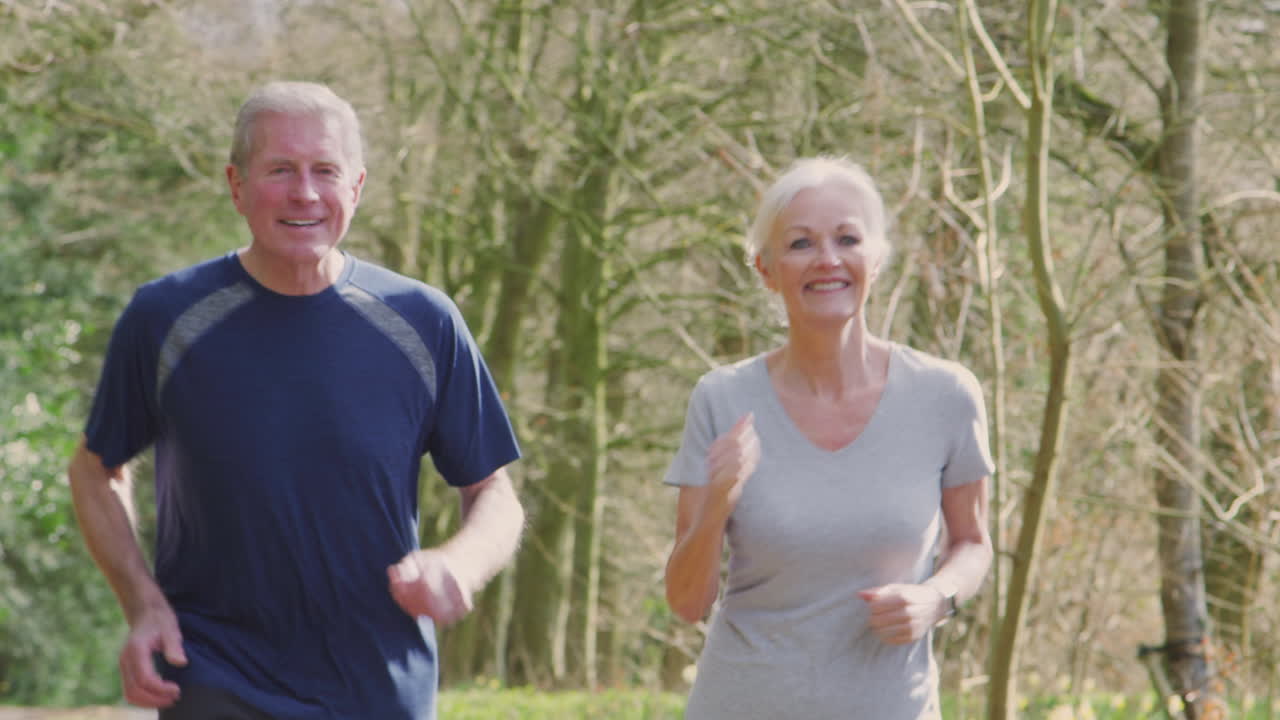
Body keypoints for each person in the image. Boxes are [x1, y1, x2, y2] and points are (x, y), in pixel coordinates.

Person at [67, 81, 525, 720]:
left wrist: (461, 563)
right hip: (214, 675)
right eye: (280, 170)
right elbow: (94, 467)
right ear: (236, 185)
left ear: (357, 188)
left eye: (325, 172)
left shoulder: (424, 322)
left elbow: (493, 491)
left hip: (378, 687)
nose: (305, 193)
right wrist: (142, 603)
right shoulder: (165, 317)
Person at [663, 156, 993, 719]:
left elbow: (973, 543)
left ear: (877, 258)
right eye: (800, 244)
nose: (828, 260)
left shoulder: (946, 396)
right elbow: (688, 602)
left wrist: (935, 600)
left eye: (847, 238)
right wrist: (716, 504)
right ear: (766, 269)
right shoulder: (721, 399)